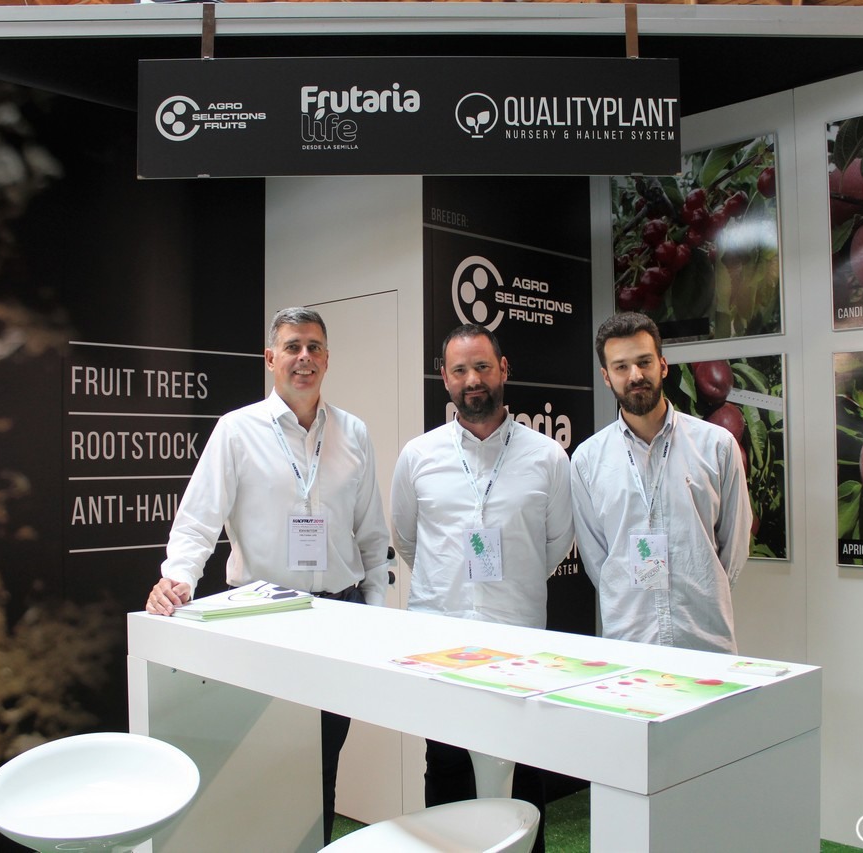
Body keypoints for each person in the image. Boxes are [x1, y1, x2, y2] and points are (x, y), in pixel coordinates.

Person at [145, 306, 391, 845]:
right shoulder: (237, 431)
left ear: (327, 358)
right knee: (266, 757)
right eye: (293, 347)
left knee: (325, 756)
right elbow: (197, 521)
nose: (304, 358)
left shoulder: (353, 432)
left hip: (340, 614)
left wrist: (375, 612)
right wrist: (177, 578)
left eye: (314, 347)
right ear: (270, 358)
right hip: (263, 615)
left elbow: (372, 533)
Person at [390, 323, 572, 853]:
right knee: (446, 771)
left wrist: (510, 582)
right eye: (461, 370)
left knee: (523, 775)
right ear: (445, 378)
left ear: (503, 370)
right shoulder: (418, 456)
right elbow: (406, 539)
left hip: (519, 643)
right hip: (439, 643)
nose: (473, 379)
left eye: (483, 367)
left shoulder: (547, 457)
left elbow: (557, 542)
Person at [570, 311, 751, 653]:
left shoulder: (717, 446)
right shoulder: (588, 460)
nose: (635, 375)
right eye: (621, 367)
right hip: (629, 642)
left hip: (705, 639)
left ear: (663, 366)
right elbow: (598, 560)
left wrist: (705, 589)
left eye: (644, 362)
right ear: (606, 377)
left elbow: (735, 545)